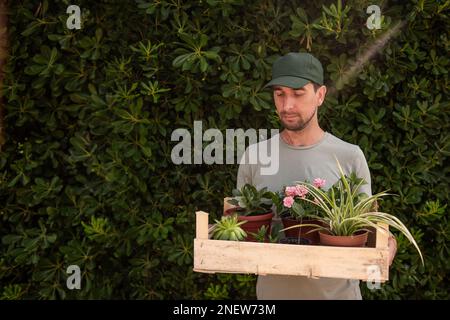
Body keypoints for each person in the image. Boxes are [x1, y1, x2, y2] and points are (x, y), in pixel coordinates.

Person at [236, 52, 397, 300]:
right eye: (280, 94)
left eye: (298, 93)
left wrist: (389, 242)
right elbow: (241, 229)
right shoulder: (255, 156)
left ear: (320, 95)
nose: (287, 105)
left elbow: (367, 230)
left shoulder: (349, 157)